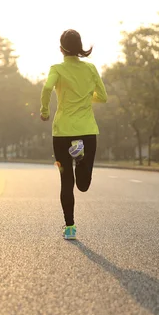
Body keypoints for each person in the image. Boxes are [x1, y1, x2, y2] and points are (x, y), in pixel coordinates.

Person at [40, 29, 108, 240]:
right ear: (80, 48)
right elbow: (103, 97)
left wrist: (44, 111)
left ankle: (69, 227)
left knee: (66, 181)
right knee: (83, 185)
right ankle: (80, 159)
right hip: (86, 131)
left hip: (62, 132)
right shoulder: (90, 69)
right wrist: (85, 99)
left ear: (61, 49)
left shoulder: (57, 69)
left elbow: (46, 88)